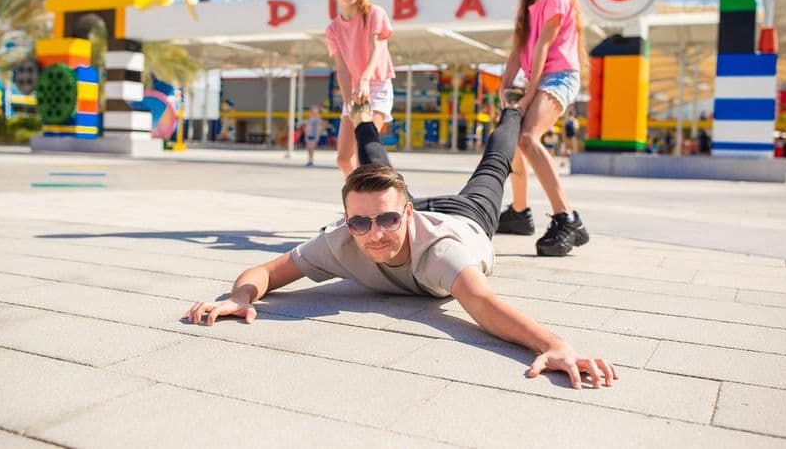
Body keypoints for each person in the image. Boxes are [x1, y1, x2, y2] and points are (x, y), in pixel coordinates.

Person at [184, 102, 618, 390]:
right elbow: (269, 271)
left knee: (493, 168)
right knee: (374, 169)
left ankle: (510, 106)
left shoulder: (442, 251)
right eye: (360, 222)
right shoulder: (342, 238)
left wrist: (552, 344)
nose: (374, 234)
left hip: (464, 215)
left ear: (407, 213)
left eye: (388, 220)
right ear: (348, 220)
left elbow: (483, 305)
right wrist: (239, 297)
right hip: (408, 206)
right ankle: (362, 117)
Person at [495, 0, 589, 257]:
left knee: (527, 138)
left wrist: (528, 93)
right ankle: (519, 213)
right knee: (513, 137)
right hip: (535, 77)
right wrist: (503, 87)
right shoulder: (528, 6)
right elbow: (517, 51)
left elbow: (542, 49)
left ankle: (568, 219)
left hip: (559, 75)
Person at [324, 0, 395, 177]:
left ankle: (385, 200)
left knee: (367, 149)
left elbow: (377, 49)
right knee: (344, 159)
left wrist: (364, 80)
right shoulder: (333, 29)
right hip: (353, 92)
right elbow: (342, 69)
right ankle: (355, 205)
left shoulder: (374, 13)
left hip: (376, 85)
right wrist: (348, 102)